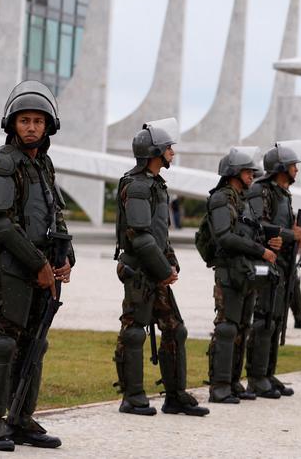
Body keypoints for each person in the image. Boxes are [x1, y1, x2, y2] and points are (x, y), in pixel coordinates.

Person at [0, 81, 74, 451]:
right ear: (12, 124)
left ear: (48, 126)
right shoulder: (2, 162)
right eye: (24, 121)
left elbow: (55, 216)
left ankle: (20, 418)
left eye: (38, 121)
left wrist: (65, 260)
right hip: (12, 272)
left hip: (43, 272)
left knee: (36, 343)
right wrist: (38, 265)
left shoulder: (44, 164)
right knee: (3, 344)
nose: (31, 127)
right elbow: (0, 224)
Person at [113, 118, 208, 417]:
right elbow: (140, 237)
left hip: (154, 269)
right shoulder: (138, 185)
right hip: (140, 271)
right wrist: (163, 269)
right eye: (169, 148)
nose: (172, 153)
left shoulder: (155, 185)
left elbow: (157, 232)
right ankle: (133, 396)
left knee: (175, 330)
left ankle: (175, 396)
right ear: (155, 151)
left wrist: (170, 259)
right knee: (134, 332)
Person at [204, 146, 275, 404]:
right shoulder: (222, 198)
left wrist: (268, 244)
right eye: (247, 171)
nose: (252, 175)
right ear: (234, 172)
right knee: (226, 328)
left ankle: (233, 382)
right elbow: (224, 236)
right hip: (228, 271)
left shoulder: (241, 198)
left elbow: (248, 232)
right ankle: (219, 385)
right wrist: (261, 250)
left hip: (244, 271)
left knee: (242, 328)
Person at [244, 140, 301, 397]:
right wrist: (291, 235)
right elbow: (259, 225)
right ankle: (257, 377)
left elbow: (285, 229)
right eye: (293, 165)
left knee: (276, 319)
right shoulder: (261, 190)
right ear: (281, 167)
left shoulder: (283, 193)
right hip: (266, 263)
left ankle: (269, 373)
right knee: (263, 320)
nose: (296, 170)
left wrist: (299, 236)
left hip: (283, 265)